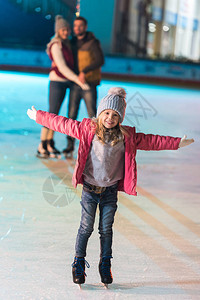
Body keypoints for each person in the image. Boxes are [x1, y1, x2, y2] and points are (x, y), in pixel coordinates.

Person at [27, 87, 194, 286]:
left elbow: (152, 141)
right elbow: (62, 124)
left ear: (120, 118)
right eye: (106, 113)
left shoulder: (126, 136)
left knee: (106, 229)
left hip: (109, 192)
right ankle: (78, 262)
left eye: (115, 115)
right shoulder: (87, 129)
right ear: (100, 114)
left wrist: (176, 143)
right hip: (90, 189)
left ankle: (105, 264)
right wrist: (39, 116)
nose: (110, 118)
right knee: (86, 227)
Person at [37, 15, 89, 159]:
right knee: (51, 113)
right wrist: (78, 80)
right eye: (63, 30)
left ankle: (50, 143)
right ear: (58, 30)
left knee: (56, 115)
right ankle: (42, 144)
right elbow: (62, 67)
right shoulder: (56, 45)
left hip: (65, 82)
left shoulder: (66, 44)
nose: (66, 32)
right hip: (57, 82)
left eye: (67, 30)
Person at [63, 16, 104, 158]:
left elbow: (100, 60)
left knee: (92, 115)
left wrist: (84, 71)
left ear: (85, 27)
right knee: (71, 115)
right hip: (75, 84)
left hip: (89, 84)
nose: (77, 28)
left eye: (80, 26)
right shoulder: (72, 42)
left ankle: (96, 145)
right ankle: (69, 145)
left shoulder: (92, 42)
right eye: (75, 26)